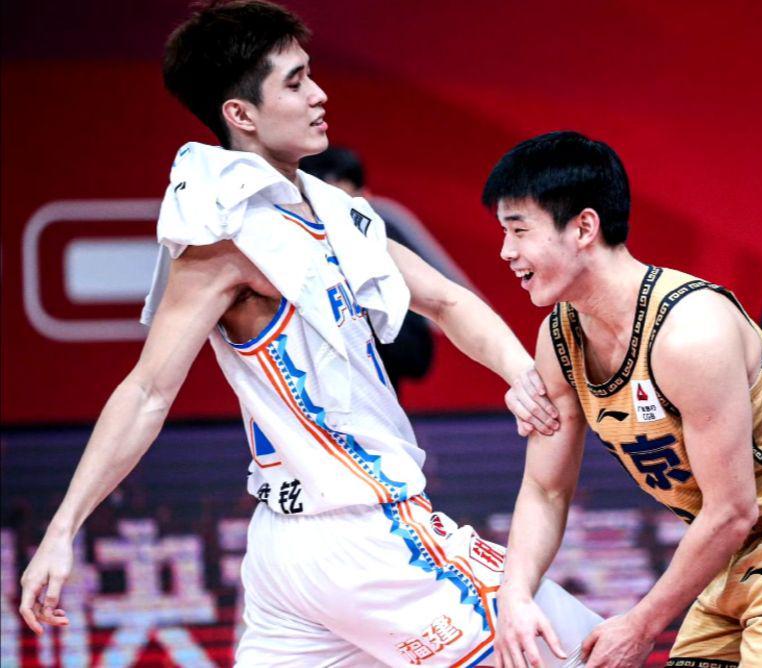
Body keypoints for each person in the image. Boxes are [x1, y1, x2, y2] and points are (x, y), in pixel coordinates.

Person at [17, 2, 601, 665]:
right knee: (588, 650)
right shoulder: (225, 238)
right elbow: (148, 392)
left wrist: (521, 375)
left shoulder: (334, 214)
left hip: (286, 551)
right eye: (295, 83)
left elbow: (445, 300)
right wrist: (62, 528)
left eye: (311, 74)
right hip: (366, 537)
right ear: (241, 115)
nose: (319, 95)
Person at [483, 130, 762, 668]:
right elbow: (546, 490)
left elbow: (732, 509)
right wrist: (515, 596)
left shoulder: (688, 333)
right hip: (733, 552)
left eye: (519, 230)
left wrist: (640, 624)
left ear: (584, 228)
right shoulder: (559, 338)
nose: (506, 251)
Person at [301, 146, 435, 393]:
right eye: (322, 208)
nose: (333, 220)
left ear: (366, 200)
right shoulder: (282, 270)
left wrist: (368, 305)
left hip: (378, 405)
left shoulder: (386, 268)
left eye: (345, 206)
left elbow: (418, 360)